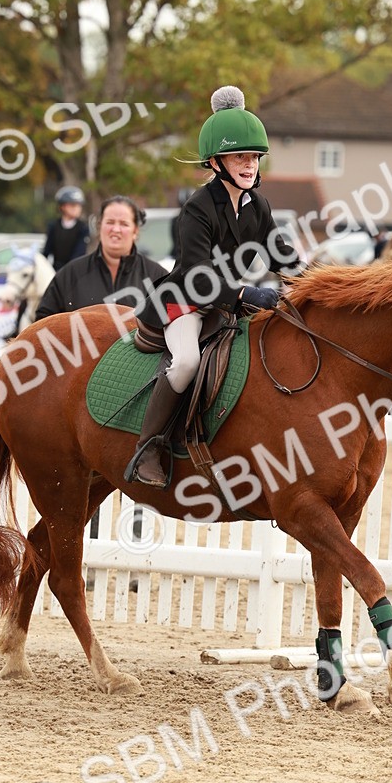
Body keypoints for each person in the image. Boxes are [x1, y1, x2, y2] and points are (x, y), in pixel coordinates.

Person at [126, 84, 301, 488]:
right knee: (186, 361)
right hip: (184, 301)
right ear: (216, 161)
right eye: (240, 155)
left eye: (254, 156)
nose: (249, 163)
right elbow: (195, 274)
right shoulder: (198, 207)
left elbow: (279, 254)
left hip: (223, 305)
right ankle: (147, 448)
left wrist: (317, 282)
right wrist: (243, 294)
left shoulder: (259, 206)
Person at [36, 195, 165, 321]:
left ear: (135, 231)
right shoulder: (70, 275)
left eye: (124, 224)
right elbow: (43, 322)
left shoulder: (157, 277)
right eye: (110, 222)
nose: (116, 229)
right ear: (99, 226)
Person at [43, 185, 89, 270]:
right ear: (62, 206)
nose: (77, 209)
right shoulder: (53, 226)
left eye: (79, 205)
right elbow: (46, 252)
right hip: (55, 271)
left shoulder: (83, 228)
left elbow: (79, 253)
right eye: (73, 205)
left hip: (75, 271)